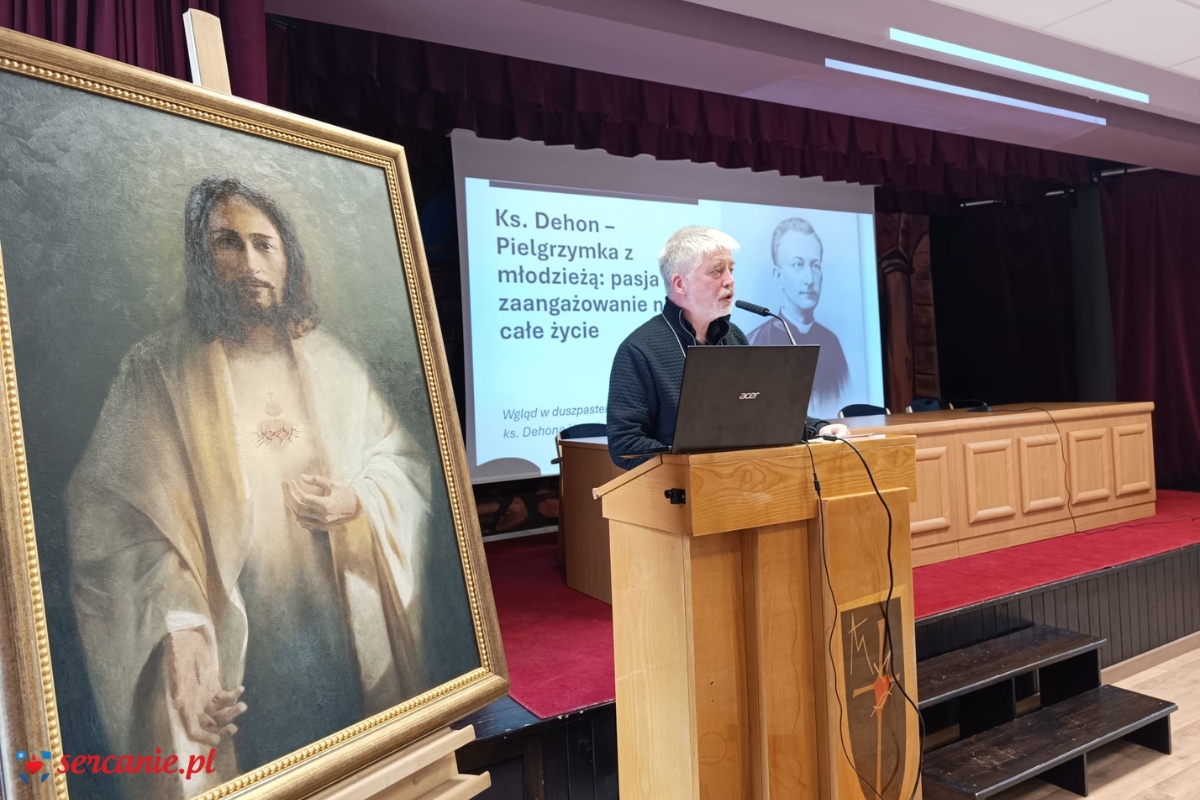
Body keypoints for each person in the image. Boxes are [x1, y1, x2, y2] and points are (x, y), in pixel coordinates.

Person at [66, 177, 433, 798]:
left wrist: (356, 501)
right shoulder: (157, 371)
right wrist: (179, 625)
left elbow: (402, 465)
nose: (250, 262)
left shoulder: (335, 364)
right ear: (202, 258)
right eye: (227, 243)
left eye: (264, 244)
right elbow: (116, 524)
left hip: (338, 636)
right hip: (232, 655)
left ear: (288, 258)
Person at [606, 226, 846, 468]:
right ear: (679, 284)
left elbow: (764, 414)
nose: (730, 281)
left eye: (731, 270)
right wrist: (692, 465)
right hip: (681, 487)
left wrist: (818, 428)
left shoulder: (734, 337)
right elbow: (626, 445)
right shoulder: (639, 350)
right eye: (716, 271)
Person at [747, 218, 851, 413]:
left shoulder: (832, 343)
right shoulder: (753, 344)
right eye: (798, 264)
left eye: (815, 266)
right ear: (778, 276)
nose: (809, 279)